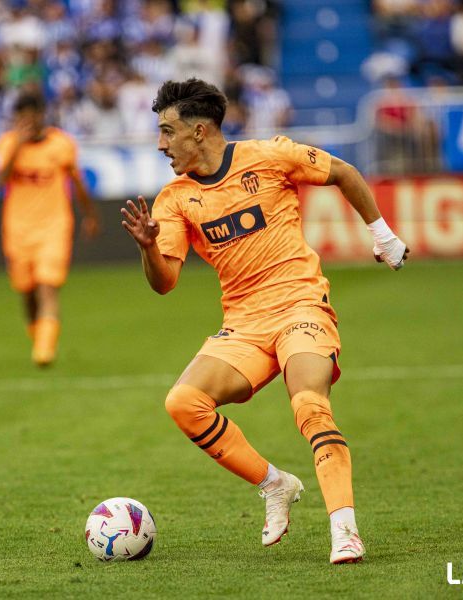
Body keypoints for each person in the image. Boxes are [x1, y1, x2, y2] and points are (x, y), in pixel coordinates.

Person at [121, 79, 409, 564]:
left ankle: (345, 530)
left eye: (167, 131)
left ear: (199, 131)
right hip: (245, 323)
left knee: (310, 407)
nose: (160, 143)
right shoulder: (173, 199)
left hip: (300, 304)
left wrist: (381, 235)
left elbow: (343, 172)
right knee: (183, 403)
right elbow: (165, 282)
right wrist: (149, 248)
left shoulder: (269, 155)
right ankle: (275, 484)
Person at [0, 92, 99, 366]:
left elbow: (77, 182)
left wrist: (89, 215)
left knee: (47, 286)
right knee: (26, 291)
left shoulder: (61, 144)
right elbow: (0, 180)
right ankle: (39, 336)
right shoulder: (7, 144)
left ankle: (44, 351)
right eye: (21, 118)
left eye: (31, 116)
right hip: (17, 228)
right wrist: (17, 145)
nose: (26, 122)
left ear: (42, 115)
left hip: (54, 225)